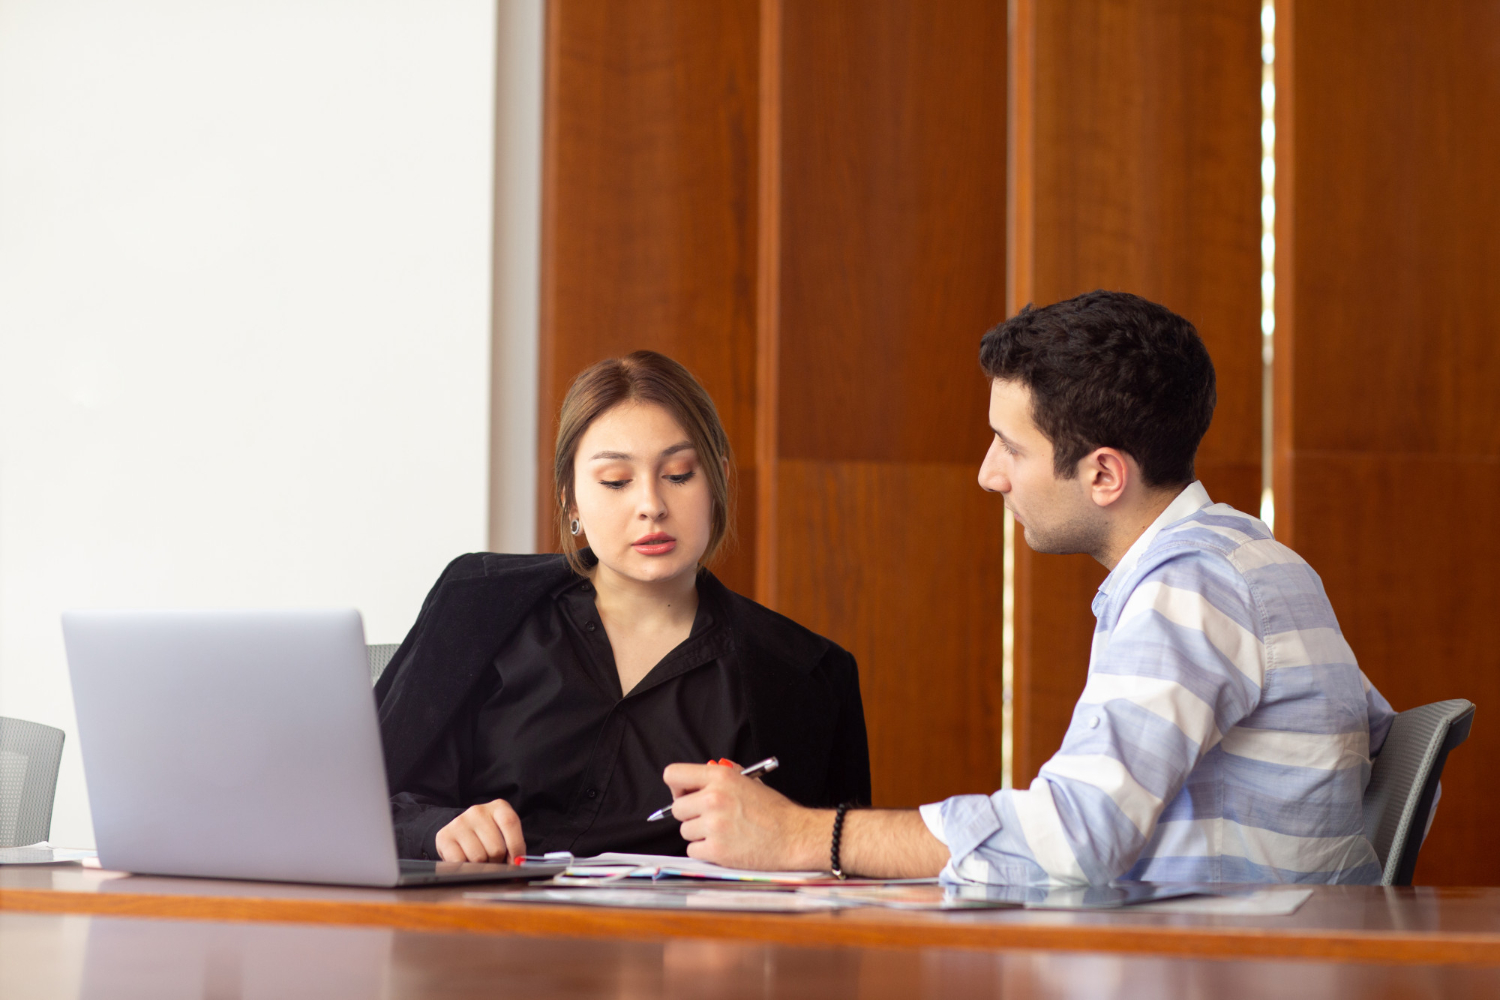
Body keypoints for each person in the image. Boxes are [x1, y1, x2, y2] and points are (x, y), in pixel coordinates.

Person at [662, 290, 1395, 886]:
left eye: (1012, 448)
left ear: (1104, 474)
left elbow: (1076, 839)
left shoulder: (1190, 587)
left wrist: (800, 834)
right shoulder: (1254, 562)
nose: (989, 473)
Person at [376, 351, 870, 863]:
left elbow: (832, 878)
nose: (651, 504)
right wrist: (439, 830)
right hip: (485, 934)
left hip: (684, 939)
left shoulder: (809, 676)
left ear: (718, 481)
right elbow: (354, 801)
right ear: (571, 497)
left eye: (679, 474)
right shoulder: (477, 605)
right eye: (616, 481)